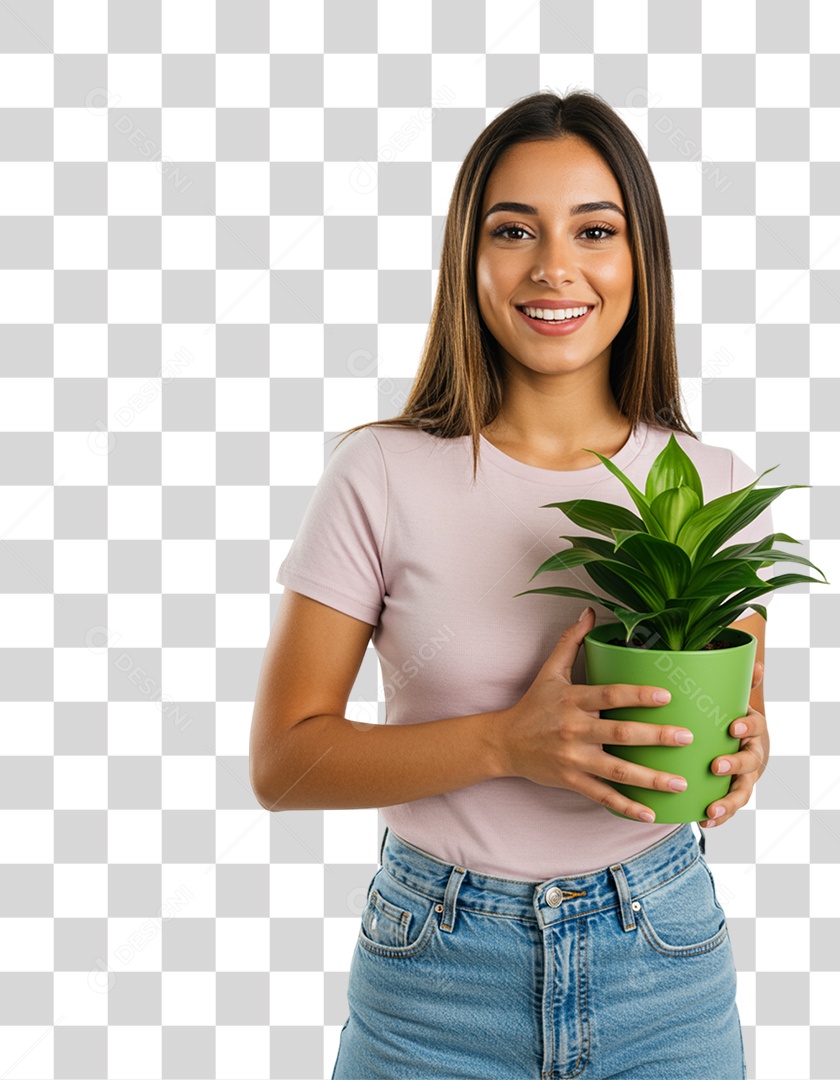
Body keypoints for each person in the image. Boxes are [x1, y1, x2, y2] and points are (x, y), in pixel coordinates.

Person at [250, 89, 774, 1080]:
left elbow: (739, 709)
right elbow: (285, 763)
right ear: (468, 258)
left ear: (640, 259)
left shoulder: (710, 483)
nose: (554, 267)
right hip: (436, 973)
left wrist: (742, 761)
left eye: (595, 229)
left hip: (663, 960)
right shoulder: (381, 473)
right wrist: (504, 745)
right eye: (513, 230)